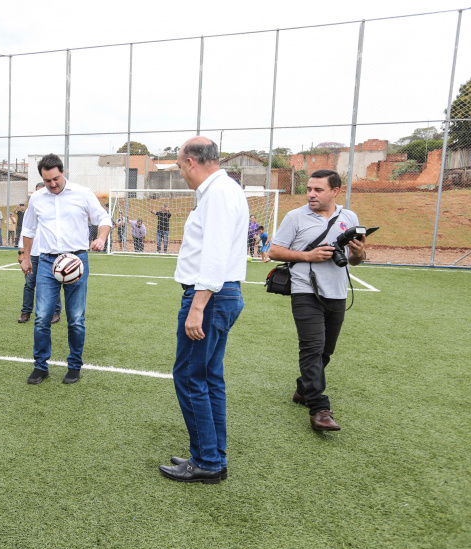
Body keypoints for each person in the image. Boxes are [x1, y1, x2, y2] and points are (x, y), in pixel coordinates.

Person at [157, 137, 248, 485]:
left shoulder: (220, 194)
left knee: (190, 377)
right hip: (218, 295)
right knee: (209, 378)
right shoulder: (220, 191)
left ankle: (207, 461)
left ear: (192, 162)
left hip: (210, 296)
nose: (181, 173)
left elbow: (214, 253)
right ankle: (211, 454)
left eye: (180, 166)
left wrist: (198, 306)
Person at [267, 169, 366, 432]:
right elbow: (274, 251)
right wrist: (308, 256)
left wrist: (359, 252)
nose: (311, 194)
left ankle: (303, 390)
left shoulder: (349, 217)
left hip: (337, 292)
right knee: (311, 348)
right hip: (305, 291)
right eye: (309, 189)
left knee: (325, 352)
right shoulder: (295, 217)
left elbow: (355, 260)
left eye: (318, 190)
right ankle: (319, 409)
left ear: (335, 191)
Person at [19, 154, 111, 385]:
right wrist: (26, 257)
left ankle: (74, 366)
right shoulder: (37, 198)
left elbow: (103, 218)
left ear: (63, 172)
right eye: (47, 180)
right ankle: (41, 367)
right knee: (41, 318)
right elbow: (28, 229)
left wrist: (101, 238)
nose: (52, 184)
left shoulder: (82, 193)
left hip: (76, 261)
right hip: (48, 262)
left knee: (76, 319)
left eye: (56, 178)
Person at [18, 182, 61, 325]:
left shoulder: (53, 211)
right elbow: (25, 232)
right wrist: (22, 253)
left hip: (49, 253)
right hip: (33, 253)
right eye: (36, 192)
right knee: (29, 284)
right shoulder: (32, 209)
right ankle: (26, 311)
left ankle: (55, 312)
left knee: (53, 282)